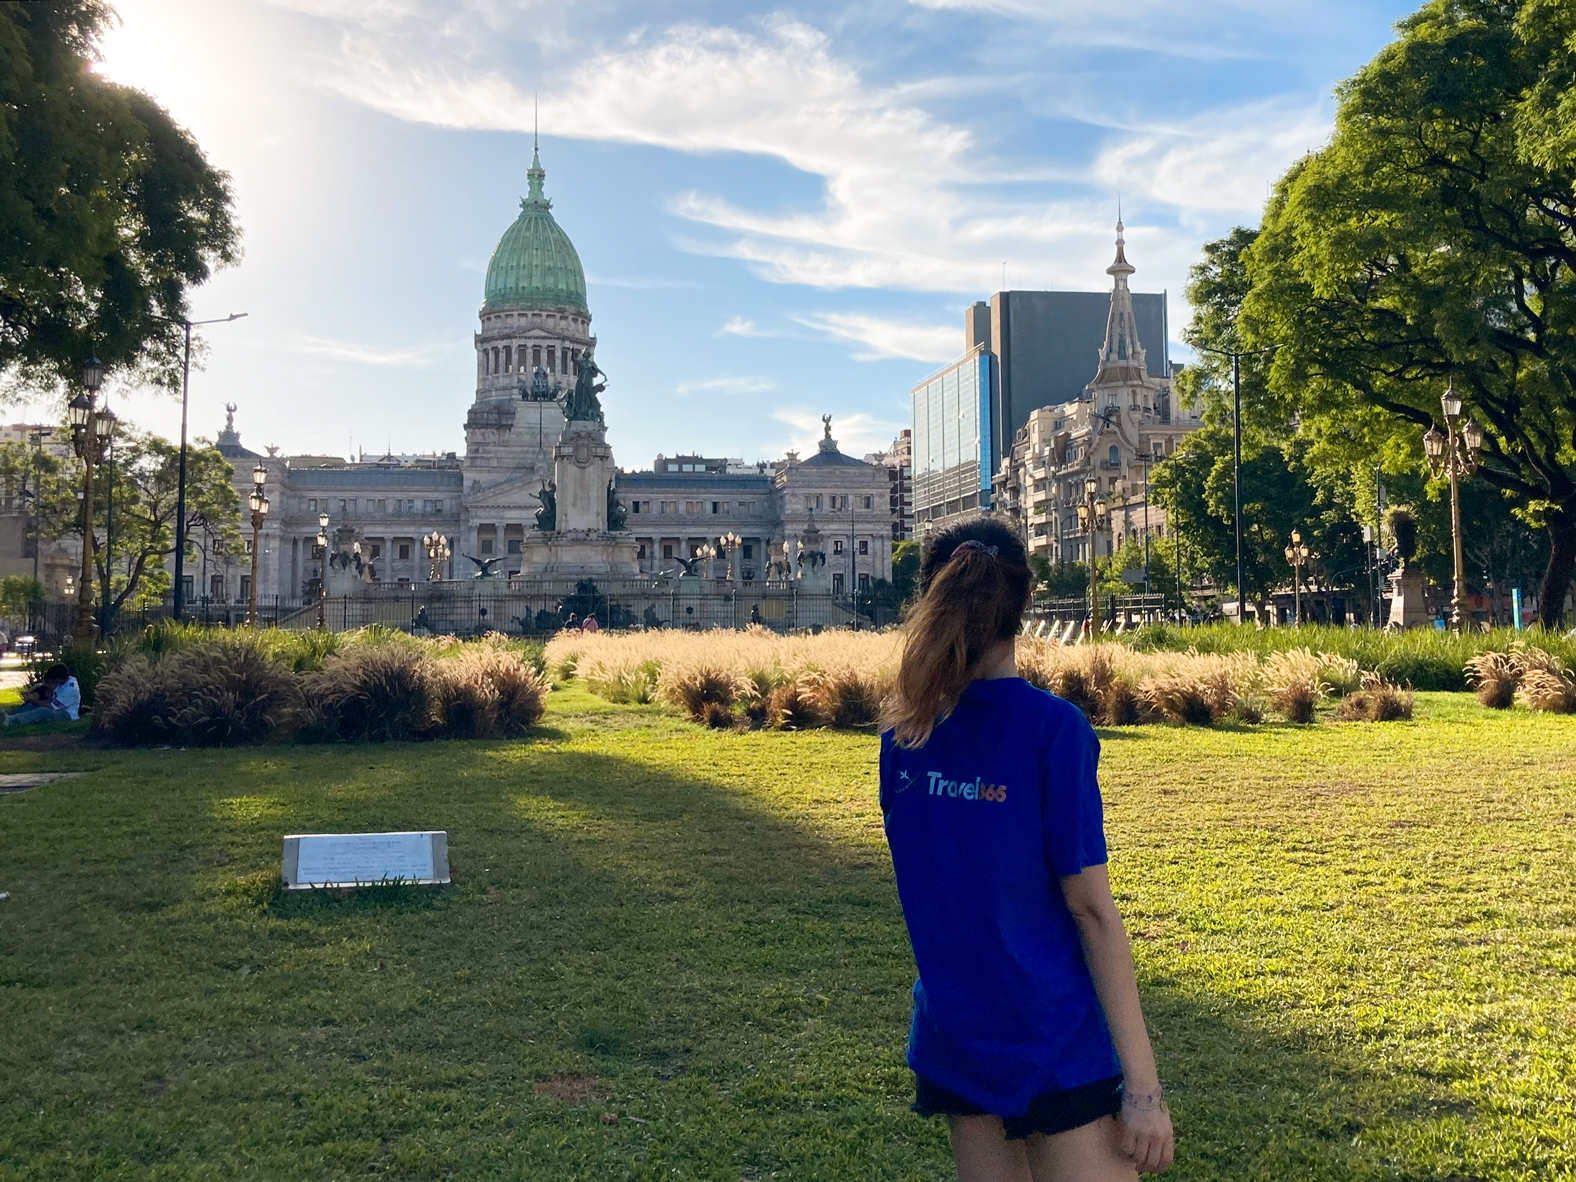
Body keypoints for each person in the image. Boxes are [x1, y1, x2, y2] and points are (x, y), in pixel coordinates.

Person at [879, 517, 1173, 1181]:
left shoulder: (903, 736)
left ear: (931, 599)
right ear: (1025, 604)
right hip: (1051, 1041)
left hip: (958, 1036)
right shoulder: (1052, 731)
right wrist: (1145, 1093)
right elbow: (1092, 912)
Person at [5, 663, 81, 727]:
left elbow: (51, 706)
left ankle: (12, 720)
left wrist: (35, 701)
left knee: (43, 711)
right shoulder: (62, 683)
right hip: (58, 710)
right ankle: (8, 716)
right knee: (31, 706)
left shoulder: (71, 689)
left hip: (67, 714)